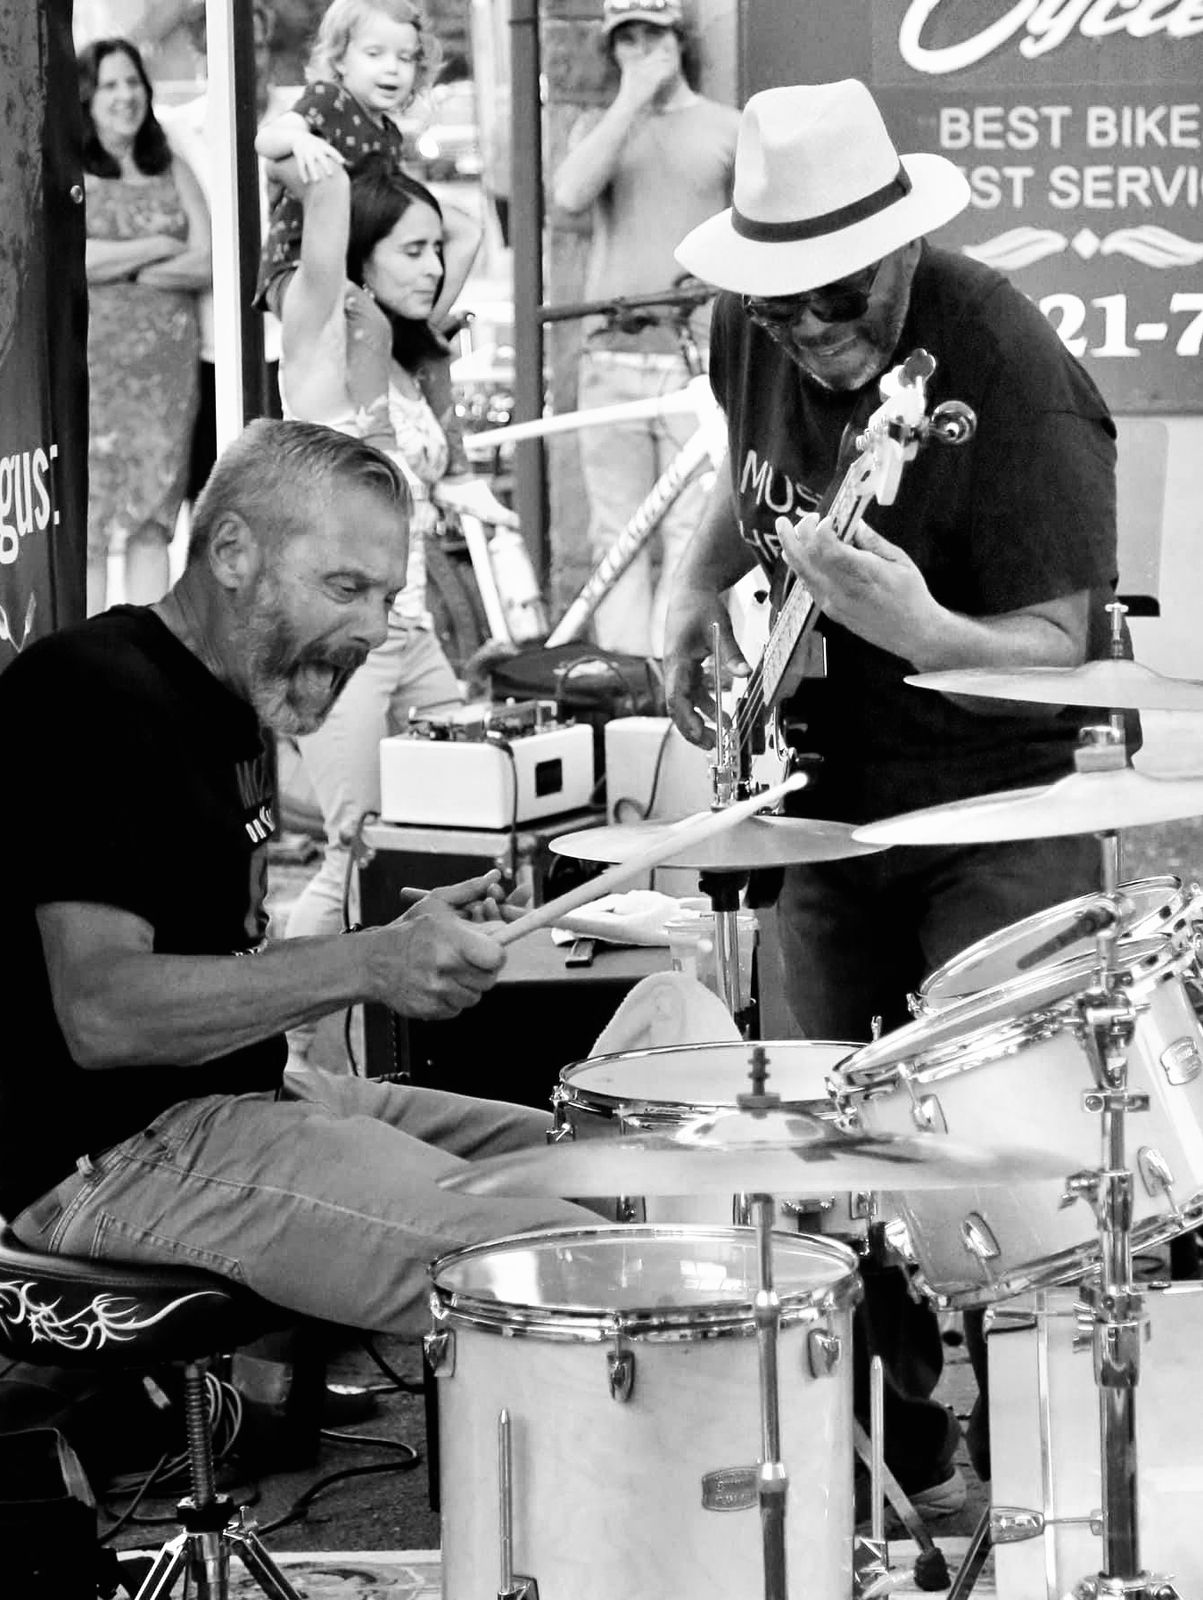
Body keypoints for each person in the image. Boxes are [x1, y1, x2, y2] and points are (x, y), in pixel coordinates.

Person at [666, 80, 1126, 1505]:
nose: (810, 329)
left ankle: (1053, 1489)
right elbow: (749, 483)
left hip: (989, 812)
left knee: (1011, 1171)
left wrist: (920, 630)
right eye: (781, 307)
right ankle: (899, 1464)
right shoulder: (750, 330)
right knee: (823, 1157)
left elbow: (1063, 652)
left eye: (838, 297)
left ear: (899, 248)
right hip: (825, 802)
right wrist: (688, 596)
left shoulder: (1011, 365)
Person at [0, 419, 593, 1336]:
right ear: (233, 552)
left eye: (386, 597)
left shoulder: (230, 694)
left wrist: (391, 945)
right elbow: (104, 1014)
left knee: (627, 1169)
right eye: (345, 588)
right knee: (568, 1261)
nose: (373, 629)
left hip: (246, 1096)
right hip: (111, 1151)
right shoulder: (92, 694)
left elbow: (220, 963)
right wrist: (368, 964)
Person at [274, 152, 490, 1070]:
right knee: (353, 847)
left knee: (464, 814)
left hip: (414, 631)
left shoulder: (404, 359)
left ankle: (413, 1046)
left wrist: (399, 181)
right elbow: (326, 230)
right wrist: (311, 150)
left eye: (436, 248)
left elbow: (471, 233)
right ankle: (286, 1045)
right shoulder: (323, 335)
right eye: (411, 249)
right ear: (360, 257)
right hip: (338, 642)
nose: (435, 266)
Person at [551, 0, 738, 658]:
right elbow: (568, 196)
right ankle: (626, 684)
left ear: (679, 41)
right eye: (624, 39)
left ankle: (670, 680)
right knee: (618, 536)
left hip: (696, 362)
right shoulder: (599, 127)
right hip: (613, 357)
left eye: (651, 35)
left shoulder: (727, 127)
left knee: (693, 535)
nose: (639, 50)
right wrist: (629, 101)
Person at [79, 36, 211, 614]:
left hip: (165, 377)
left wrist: (122, 269)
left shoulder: (170, 166)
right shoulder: (71, 170)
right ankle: (82, 652)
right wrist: (157, 245)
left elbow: (207, 259)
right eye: (109, 84)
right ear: (86, 97)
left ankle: (140, 653)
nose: (125, 95)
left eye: (133, 82)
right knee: (88, 522)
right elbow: (72, 261)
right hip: (95, 371)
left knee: (153, 519)